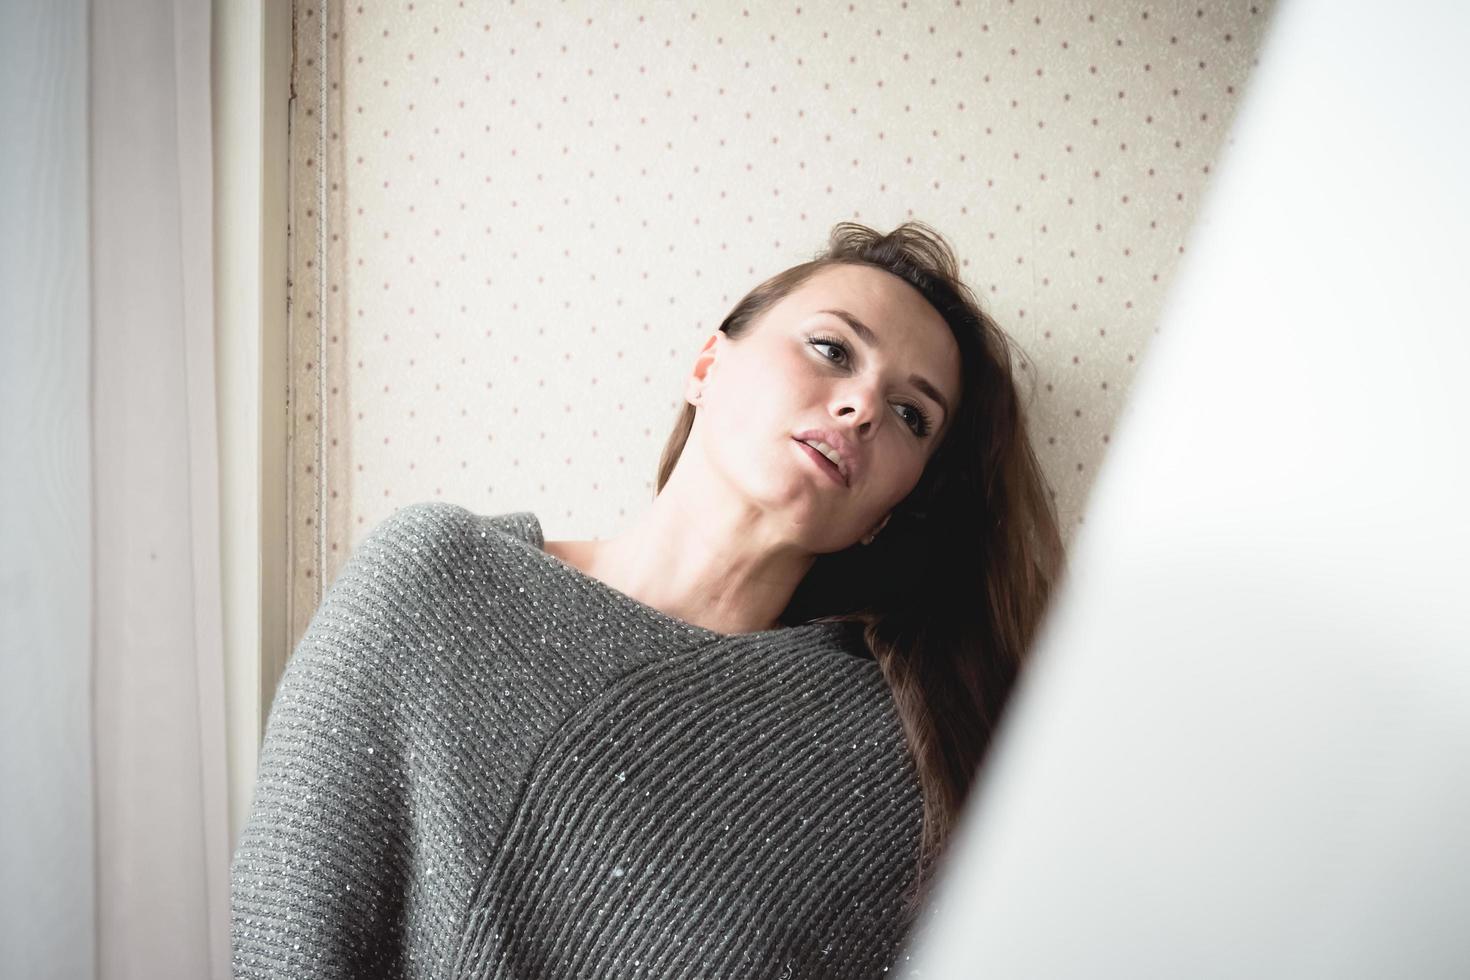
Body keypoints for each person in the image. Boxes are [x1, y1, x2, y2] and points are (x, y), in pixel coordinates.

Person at [231, 221, 1064, 979]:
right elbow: (286, 936)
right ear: (708, 365)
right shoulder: (432, 584)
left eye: (913, 415)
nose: (862, 407)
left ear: (894, 511)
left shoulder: (894, 759)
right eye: (833, 350)